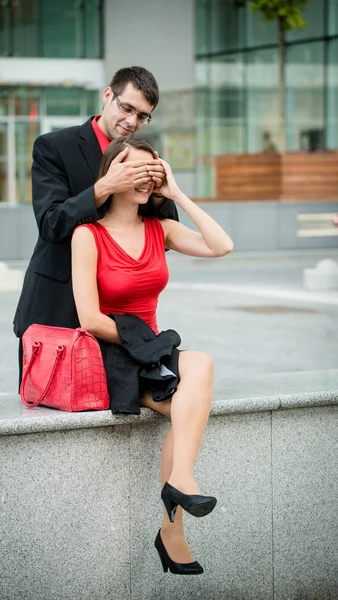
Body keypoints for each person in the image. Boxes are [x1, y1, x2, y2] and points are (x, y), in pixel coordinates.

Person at [71, 137, 234, 575]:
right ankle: (172, 529)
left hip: (154, 350)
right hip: (115, 351)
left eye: (154, 170)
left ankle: (179, 485)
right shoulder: (87, 235)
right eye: (138, 169)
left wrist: (177, 194)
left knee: (201, 364)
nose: (148, 177)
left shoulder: (160, 229)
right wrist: (142, 341)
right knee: (189, 400)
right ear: (114, 173)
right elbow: (89, 316)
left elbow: (222, 246)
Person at [13, 67, 179, 384]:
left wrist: (159, 191)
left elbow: (165, 232)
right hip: (56, 310)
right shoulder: (53, 146)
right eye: (126, 108)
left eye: (142, 116)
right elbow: (51, 224)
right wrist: (105, 187)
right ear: (107, 96)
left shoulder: (141, 154)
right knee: (46, 415)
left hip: (117, 324)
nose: (131, 122)